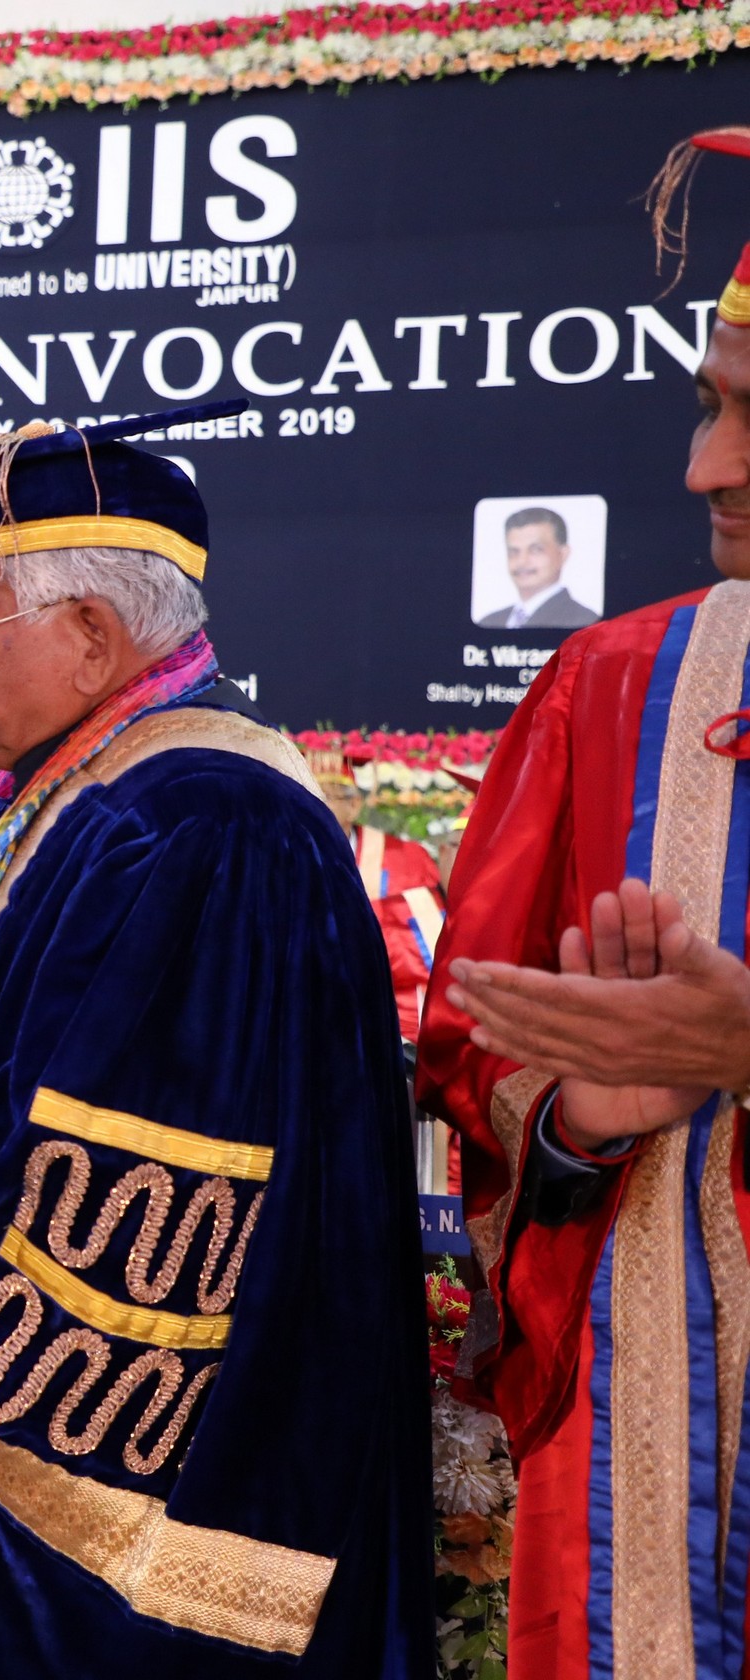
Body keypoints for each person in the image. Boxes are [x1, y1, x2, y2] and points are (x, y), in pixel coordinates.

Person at [0, 406, 430, 1677]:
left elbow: (138, 1185)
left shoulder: (205, 822)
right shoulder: (92, 790)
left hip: (129, 1563)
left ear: (89, 632)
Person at [420, 126, 750, 1680]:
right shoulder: (616, 690)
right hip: (637, 1495)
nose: (706, 470)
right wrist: (573, 1123)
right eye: (709, 404)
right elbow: (479, 1050)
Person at [310, 745, 448, 1043]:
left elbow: (425, 948)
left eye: (324, 796)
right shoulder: (279, 855)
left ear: (354, 805)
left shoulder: (405, 860)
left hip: (390, 1018)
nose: (311, 806)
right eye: (304, 795)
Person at [476, 506, 598, 630]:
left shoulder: (587, 623)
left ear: (562, 554)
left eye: (536, 550)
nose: (522, 561)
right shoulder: (489, 622)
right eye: (514, 552)